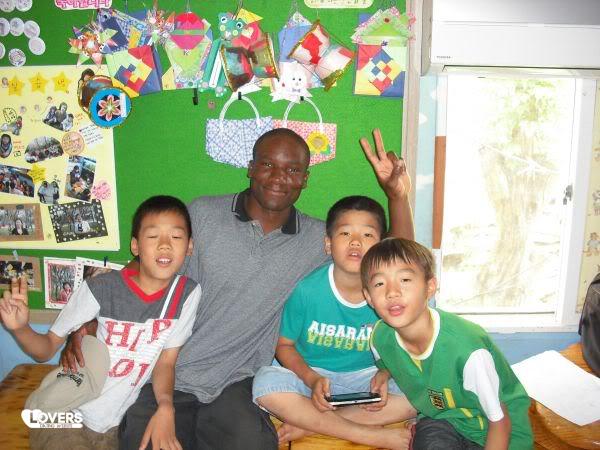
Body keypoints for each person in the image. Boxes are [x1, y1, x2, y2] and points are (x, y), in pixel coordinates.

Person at [63, 128, 414, 449]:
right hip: (168, 372)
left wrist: (397, 197)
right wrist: (86, 322)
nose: (279, 177)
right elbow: (144, 270)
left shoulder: (317, 240)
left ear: (305, 179)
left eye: (293, 170)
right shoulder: (202, 214)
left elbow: (393, 264)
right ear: (251, 168)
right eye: (268, 165)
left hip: (238, 382)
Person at [0, 195, 202, 450]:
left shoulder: (187, 294)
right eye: (153, 236)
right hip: (65, 414)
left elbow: (166, 362)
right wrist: (20, 328)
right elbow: (46, 348)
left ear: (189, 246)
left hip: (113, 426)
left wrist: (165, 406)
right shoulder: (100, 289)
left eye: (176, 236)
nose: (164, 245)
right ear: (135, 246)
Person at [253, 196, 416, 448]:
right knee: (265, 384)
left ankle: (310, 423)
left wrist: (386, 372)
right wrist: (311, 379)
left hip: (367, 378)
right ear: (328, 244)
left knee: (419, 392)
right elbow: (284, 345)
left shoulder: (388, 293)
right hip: (312, 378)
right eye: (345, 233)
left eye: (367, 235)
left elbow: (404, 344)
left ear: (380, 245)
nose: (355, 242)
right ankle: (365, 433)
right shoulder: (308, 290)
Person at [361, 238, 534, 450]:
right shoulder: (380, 337)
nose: (392, 292)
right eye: (379, 283)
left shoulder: (467, 350)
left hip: (495, 431)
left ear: (430, 287)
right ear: (369, 297)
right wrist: (384, 373)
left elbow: (500, 421)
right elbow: (387, 360)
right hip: (444, 418)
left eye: (405, 279)